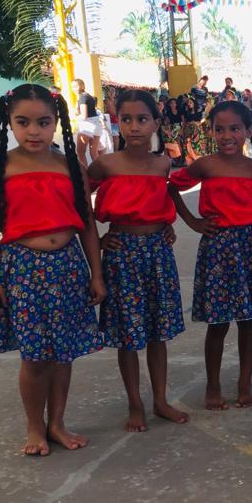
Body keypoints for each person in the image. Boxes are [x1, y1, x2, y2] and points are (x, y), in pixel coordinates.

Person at [0, 83, 104, 456]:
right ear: (9, 123)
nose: (34, 131)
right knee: (34, 357)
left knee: (62, 353)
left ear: (56, 122)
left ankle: (58, 424)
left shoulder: (70, 165)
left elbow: (88, 225)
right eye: (23, 122)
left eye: (44, 122)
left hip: (67, 267)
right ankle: (35, 428)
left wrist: (96, 273)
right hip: (22, 270)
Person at [88, 89, 188, 432]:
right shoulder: (106, 164)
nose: (134, 127)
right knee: (129, 336)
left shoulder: (163, 164)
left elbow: (162, 198)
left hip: (158, 254)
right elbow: (74, 203)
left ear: (156, 123)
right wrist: (97, 240)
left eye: (142, 120)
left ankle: (160, 400)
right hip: (121, 255)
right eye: (126, 120)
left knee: (158, 333)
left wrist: (166, 225)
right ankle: (135, 403)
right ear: (117, 122)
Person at [169, 101, 252, 409]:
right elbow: (171, 186)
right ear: (212, 132)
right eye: (220, 129)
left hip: (250, 249)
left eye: (235, 129)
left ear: (248, 130)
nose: (227, 135)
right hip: (217, 249)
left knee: (247, 320)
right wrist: (192, 222)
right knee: (218, 323)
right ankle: (213, 386)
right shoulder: (205, 165)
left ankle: (245, 385)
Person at [71, 78, 102, 166]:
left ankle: (85, 174)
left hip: (88, 125)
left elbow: (84, 115)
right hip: (96, 124)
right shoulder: (88, 96)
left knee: (80, 152)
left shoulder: (82, 98)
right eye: (72, 87)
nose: (73, 89)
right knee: (94, 153)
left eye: (75, 86)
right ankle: (100, 174)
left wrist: (74, 118)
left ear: (81, 86)